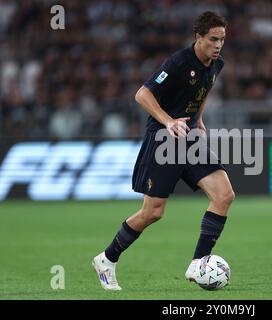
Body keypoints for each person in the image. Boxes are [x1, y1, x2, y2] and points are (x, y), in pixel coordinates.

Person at [92, 11, 234, 291]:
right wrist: (169, 121)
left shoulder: (216, 64)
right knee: (153, 212)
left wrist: (199, 120)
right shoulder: (178, 62)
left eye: (223, 40)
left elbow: (203, 92)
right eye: (213, 39)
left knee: (224, 195)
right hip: (163, 140)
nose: (218, 45)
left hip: (189, 138)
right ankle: (106, 259)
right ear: (198, 38)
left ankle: (197, 263)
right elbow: (142, 94)